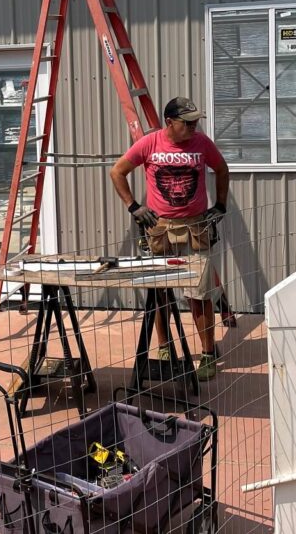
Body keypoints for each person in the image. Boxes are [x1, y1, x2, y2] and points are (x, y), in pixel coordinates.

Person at [109, 97, 230, 380]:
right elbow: (117, 172)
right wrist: (134, 207)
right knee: (160, 293)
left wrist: (221, 205)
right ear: (169, 122)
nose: (193, 126)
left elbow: (222, 169)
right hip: (160, 229)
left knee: (199, 294)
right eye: (187, 122)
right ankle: (164, 347)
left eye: (195, 121)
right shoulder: (150, 144)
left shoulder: (202, 144)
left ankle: (209, 353)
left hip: (195, 228)